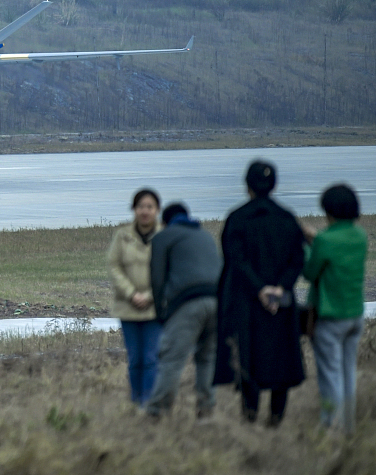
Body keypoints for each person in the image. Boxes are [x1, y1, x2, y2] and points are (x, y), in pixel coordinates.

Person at [213, 161, 305, 427]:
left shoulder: (237, 219)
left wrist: (259, 289)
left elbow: (235, 259)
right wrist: (280, 288)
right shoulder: (287, 218)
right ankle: (276, 419)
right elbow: (297, 259)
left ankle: (250, 417)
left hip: (247, 302)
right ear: (274, 184)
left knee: (249, 358)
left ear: (247, 185)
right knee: (281, 359)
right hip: (281, 302)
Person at [145, 202, 223, 421]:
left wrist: (161, 311)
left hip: (189, 302)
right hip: (217, 301)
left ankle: (156, 413)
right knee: (207, 358)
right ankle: (206, 411)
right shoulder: (205, 236)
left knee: (172, 358)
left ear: (164, 221)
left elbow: (157, 278)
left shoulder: (163, 237)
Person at [302, 184, 367, 434]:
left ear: (328, 211)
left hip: (330, 318)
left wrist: (310, 244)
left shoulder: (325, 240)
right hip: (355, 315)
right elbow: (334, 247)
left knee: (330, 376)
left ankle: (331, 429)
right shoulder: (360, 236)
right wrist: (317, 238)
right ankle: (349, 427)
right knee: (348, 373)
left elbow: (310, 272)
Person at [108, 188, 163, 407]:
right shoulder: (122, 236)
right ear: (134, 209)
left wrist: (149, 296)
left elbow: (169, 271)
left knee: (151, 358)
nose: (145, 211)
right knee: (135, 359)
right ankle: (135, 401)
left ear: (157, 210)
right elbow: (114, 267)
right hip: (128, 307)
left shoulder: (164, 236)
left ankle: (148, 403)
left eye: (149, 207)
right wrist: (132, 294)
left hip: (155, 307)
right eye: (141, 206)